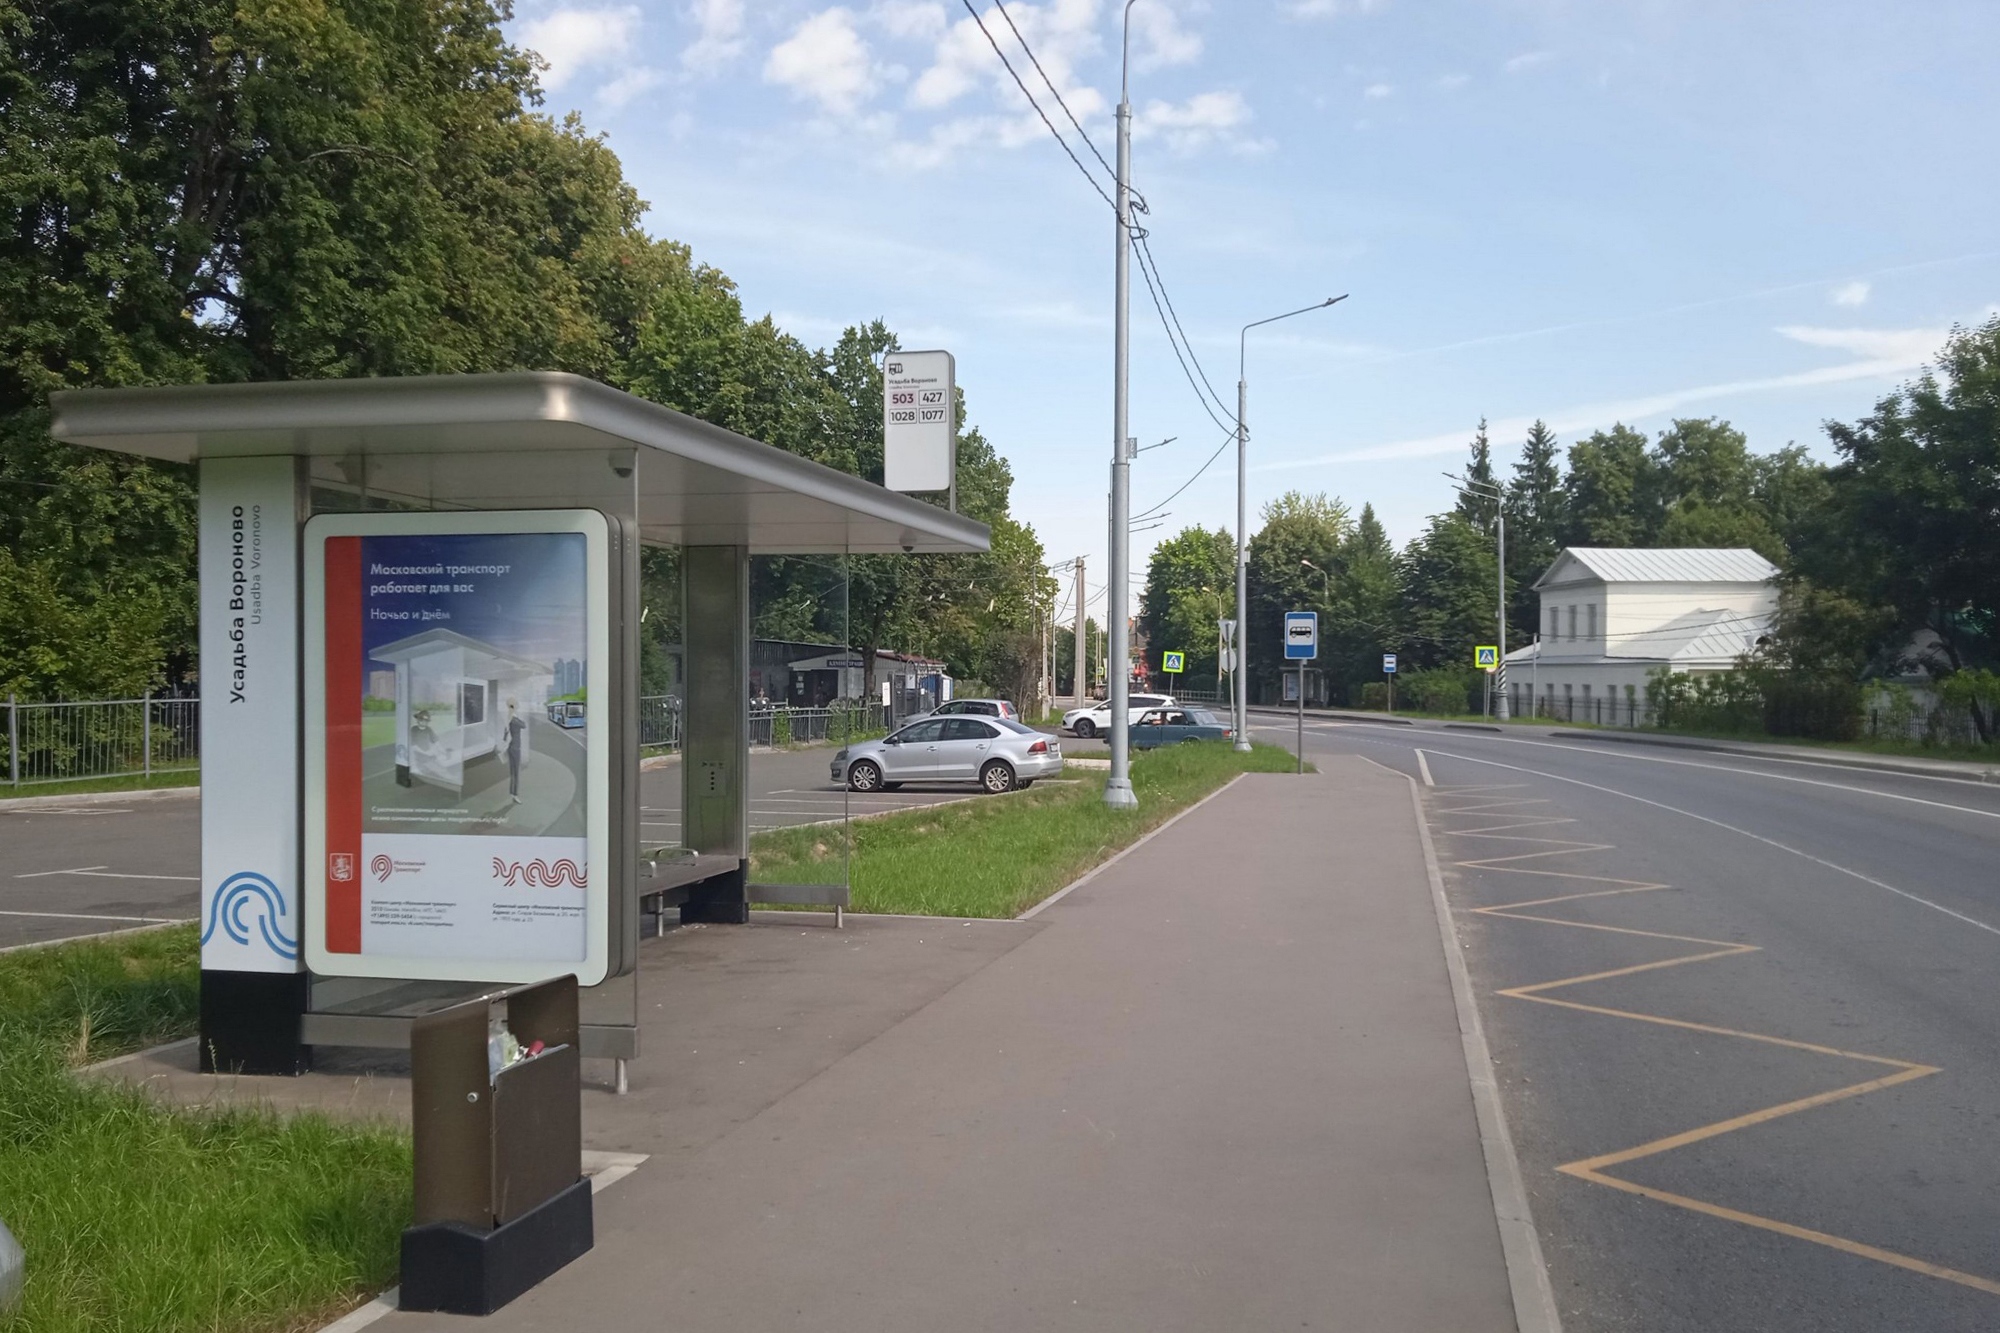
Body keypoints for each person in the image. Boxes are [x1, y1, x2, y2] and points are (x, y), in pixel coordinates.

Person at [504, 700, 527, 802]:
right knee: (516, 773)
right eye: (517, 705)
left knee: (512, 772)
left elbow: (504, 737)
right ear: (514, 707)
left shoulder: (508, 719)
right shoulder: (515, 719)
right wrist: (518, 716)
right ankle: (515, 795)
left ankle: (512, 792)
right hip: (516, 748)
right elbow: (524, 725)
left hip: (510, 747)